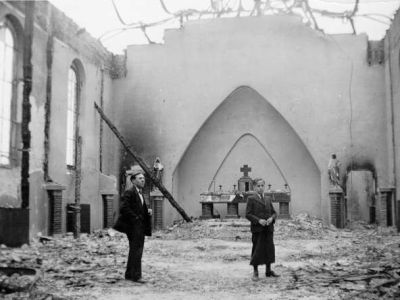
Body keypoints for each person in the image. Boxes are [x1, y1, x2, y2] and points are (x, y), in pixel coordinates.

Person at [113, 165, 152, 283]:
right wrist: (136, 219)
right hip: (133, 227)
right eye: (140, 178)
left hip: (139, 226)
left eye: (143, 178)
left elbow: (139, 208)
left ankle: (130, 274)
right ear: (133, 180)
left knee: (134, 250)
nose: (143, 180)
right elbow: (124, 208)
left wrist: (146, 212)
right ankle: (136, 276)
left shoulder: (140, 192)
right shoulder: (129, 192)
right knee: (137, 250)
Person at [246, 178, 279, 281]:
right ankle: (255, 272)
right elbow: (248, 214)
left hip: (268, 228)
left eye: (262, 186)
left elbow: (274, 213)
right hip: (258, 229)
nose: (260, 188)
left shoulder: (268, 199)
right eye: (258, 186)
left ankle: (268, 271)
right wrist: (258, 220)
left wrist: (271, 218)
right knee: (257, 248)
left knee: (269, 248)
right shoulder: (251, 199)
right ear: (254, 187)